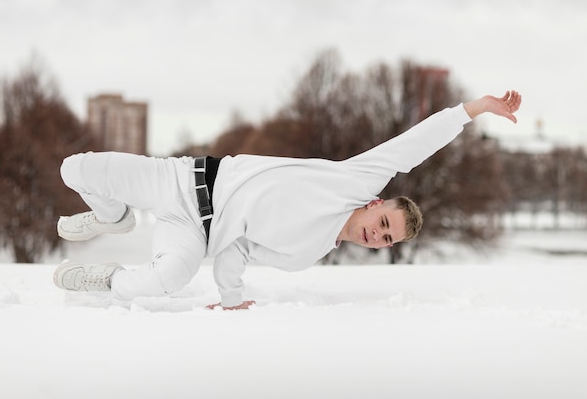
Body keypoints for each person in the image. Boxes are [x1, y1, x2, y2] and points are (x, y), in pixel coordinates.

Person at [53, 90, 521, 310]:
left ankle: (105, 280)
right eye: (384, 224)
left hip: (194, 232)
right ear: (377, 203)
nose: (377, 236)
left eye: (386, 241)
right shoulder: (352, 181)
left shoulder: (306, 255)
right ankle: (112, 217)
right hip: (177, 179)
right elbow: (410, 147)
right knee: (74, 168)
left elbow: (236, 251)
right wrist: (473, 110)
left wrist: (232, 299)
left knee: (169, 278)